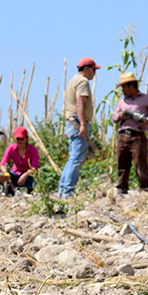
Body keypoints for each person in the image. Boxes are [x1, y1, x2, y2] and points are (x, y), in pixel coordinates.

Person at [111, 72, 148, 195]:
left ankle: (144, 188)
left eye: (124, 87)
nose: (123, 90)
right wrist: (120, 115)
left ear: (131, 86)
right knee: (122, 163)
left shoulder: (146, 99)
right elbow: (114, 117)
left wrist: (147, 121)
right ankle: (122, 188)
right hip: (123, 135)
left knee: (140, 163)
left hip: (138, 135)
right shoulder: (122, 102)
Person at [58, 57, 100, 198]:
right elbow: (80, 102)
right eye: (93, 70)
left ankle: (62, 190)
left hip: (71, 121)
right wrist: (83, 124)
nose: (94, 73)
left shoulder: (72, 80)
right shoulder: (82, 82)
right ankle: (68, 192)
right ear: (87, 68)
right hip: (77, 122)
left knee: (72, 158)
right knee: (76, 159)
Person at [0, 126, 39, 194]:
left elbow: (34, 168)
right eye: (18, 139)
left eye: (22, 139)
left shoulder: (33, 150)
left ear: (26, 138)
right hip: (15, 174)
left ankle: (30, 190)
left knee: (33, 180)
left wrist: (25, 175)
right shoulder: (11, 148)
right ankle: (10, 190)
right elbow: (3, 164)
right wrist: (6, 174)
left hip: (28, 176)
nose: (20, 141)